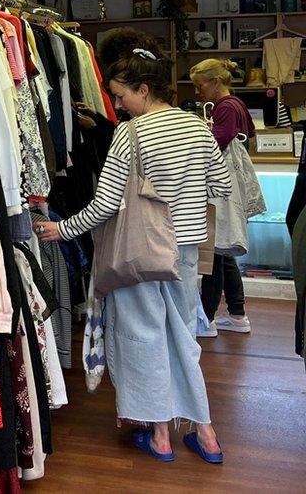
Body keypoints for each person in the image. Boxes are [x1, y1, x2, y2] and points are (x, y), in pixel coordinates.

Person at [34, 43, 231, 464]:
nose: (117, 105)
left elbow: (106, 204)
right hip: (186, 252)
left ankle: (160, 435)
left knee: (145, 337)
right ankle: (207, 434)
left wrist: (62, 229)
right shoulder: (197, 127)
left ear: (144, 89)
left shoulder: (131, 132)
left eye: (121, 96)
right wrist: (184, 194)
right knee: (183, 336)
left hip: (142, 253)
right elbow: (223, 187)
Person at [190, 58, 256, 336]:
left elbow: (217, 143)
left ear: (215, 82)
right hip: (232, 186)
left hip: (221, 188)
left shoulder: (225, 107)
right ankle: (237, 314)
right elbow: (249, 134)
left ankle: (206, 318)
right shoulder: (237, 104)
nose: (197, 91)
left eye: (200, 85)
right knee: (225, 252)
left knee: (215, 251)